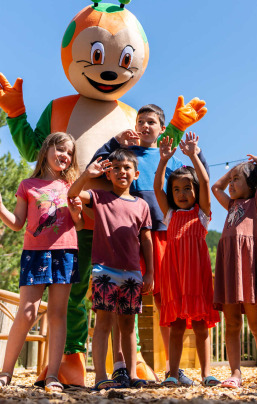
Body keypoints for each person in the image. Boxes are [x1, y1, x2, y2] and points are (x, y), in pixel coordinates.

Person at [89, 104, 210, 386]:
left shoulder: (171, 158)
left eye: (151, 122)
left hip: (167, 234)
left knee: (166, 301)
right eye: (140, 121)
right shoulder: (127, 156)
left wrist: (196, 151)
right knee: (122, 302)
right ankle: (120, 365)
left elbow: (197, 180)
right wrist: (114, 142)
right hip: (132, 235)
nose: (145, 126)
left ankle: (172, 367)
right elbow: (94, 169)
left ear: (161, 128)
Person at [0, 132, 82, 392]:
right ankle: (6, 372)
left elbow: (79, 224)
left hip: (65, 252)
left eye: (69, 153)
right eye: (60, 149)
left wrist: (78, 212)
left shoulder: (73, 186)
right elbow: (16, 224)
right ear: (47, 149)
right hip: (34, 253)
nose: (65, 156)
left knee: (58, 314)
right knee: (27, 313)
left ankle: (53, 376)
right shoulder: (27, 185)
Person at [68, 149, 153, 390]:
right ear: (109, 173)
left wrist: (150, 273)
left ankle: (132, 375)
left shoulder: (142, 205)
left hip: (132, 273)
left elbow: (146, 241)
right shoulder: (99, 197)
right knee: (103, 322)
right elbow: (72, 193)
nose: (121, 172)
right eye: (116, 168)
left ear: (135, 174)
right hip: (104, 270)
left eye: (126, 168)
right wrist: (87, 174)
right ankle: (100, 376)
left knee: (128, 326)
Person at [153, 132, 220, 387]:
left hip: (197, 277)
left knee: (202, 326)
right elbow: (157, 186)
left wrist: (193, 155)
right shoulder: (169, 215)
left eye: (187, 188)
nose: (181, 193)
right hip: (175, 279)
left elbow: (204, 179)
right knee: (177, 326)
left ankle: (206, 374)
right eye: (177, 189)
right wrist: (163, 160)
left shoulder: (201, 213)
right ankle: (173, 373)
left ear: (196, 191)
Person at [211, 155, 257, 391]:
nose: (230, 184)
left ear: (252, 186)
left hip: (248, 270)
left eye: (236, 180)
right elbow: (215, 187)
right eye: (231, 180)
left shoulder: (256, 204)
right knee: (231, 324)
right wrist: (231, 173)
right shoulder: (230, 205)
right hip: (230, 268)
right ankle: (235, 373)